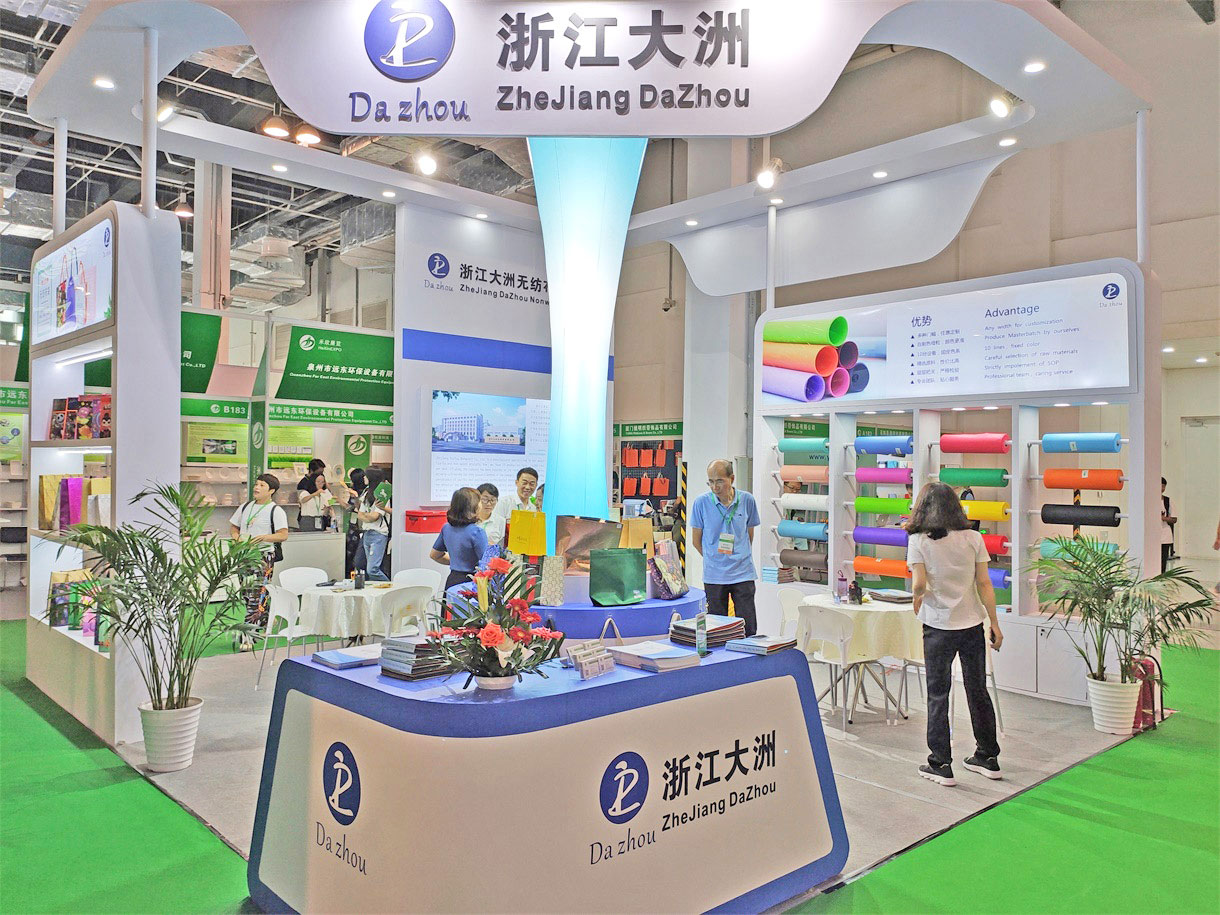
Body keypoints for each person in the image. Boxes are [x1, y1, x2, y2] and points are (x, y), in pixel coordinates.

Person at [906, 481, 1003, 787]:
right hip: (971, 624)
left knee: (938, 694)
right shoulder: (974, 538)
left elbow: (919, 583)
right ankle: (988, 756)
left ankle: (940, 763)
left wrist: (916, 598)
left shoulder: (919, 541)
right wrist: (994, 623)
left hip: (938, 626)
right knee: (977, 690)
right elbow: (984, 583)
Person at [691, 459, 761, 636]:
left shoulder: (747, 500)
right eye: (711, 482)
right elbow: (696, 541)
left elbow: (749, 535)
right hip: (714, 576)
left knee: (748, 628)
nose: (715, 487)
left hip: (743, 573)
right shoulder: (701, 503)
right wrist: (714, 558)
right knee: (716, 630)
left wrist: (738, 554)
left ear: (732, 478)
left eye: (720, 481)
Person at [229, 474, 291, 638]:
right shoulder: (245, 507)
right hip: (244, 554)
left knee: (257, 593)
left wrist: (264, 537)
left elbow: (283, 535)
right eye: (256, 484)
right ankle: (266, 616)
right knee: (246, 592)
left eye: (262, 485)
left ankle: (248, 635)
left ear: (271, 491)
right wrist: (236, 538)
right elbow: (234, 527)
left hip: (264, 556)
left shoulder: (276, 511)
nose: (256, 488)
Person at [430, 487, 490, 591]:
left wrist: (456, 562)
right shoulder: (477, 532)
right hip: (471, 583)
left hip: (452, 580)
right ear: (474, 507)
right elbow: (487, 565)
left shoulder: (446, 528)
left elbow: (434, 555)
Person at [355, 467, 393, 582]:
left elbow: (375, 516)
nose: (364, 477)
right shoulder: (366, 493)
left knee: (372, 569)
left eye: (366, 475)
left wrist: (366, 516)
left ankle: (390, 587)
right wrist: (367, 516)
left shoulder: (382, 494)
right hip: (366, 533)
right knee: (363, 565)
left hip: (378, 534)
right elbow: (360, 515)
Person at [486, 466, 539, 545]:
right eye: (524, 483)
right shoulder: (504, 502)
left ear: (536, 485)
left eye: (532, 484)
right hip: (504, 550)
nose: (528, 487)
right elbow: (495, 529)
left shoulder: (533, 509)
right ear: (516, 483)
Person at [297, 459, 332, 531]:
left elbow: (330, 498)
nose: (321, 474)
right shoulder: (303, 484)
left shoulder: (323, 486)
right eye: (319, 472)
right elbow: (301, 500)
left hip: (320, 517)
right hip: (308, 517)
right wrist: (315, 494)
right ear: (312, 471)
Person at [1161, 477, 1177, 573]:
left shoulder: (1168, 501)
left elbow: (1174, 519)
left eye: (1163, 486)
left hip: (1165, 537)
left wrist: (1164, 518)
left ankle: (1161, 577)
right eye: (1160, 486)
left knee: (1163, 562)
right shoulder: (1148, 500)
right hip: (1151, 536)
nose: (1162, 488)